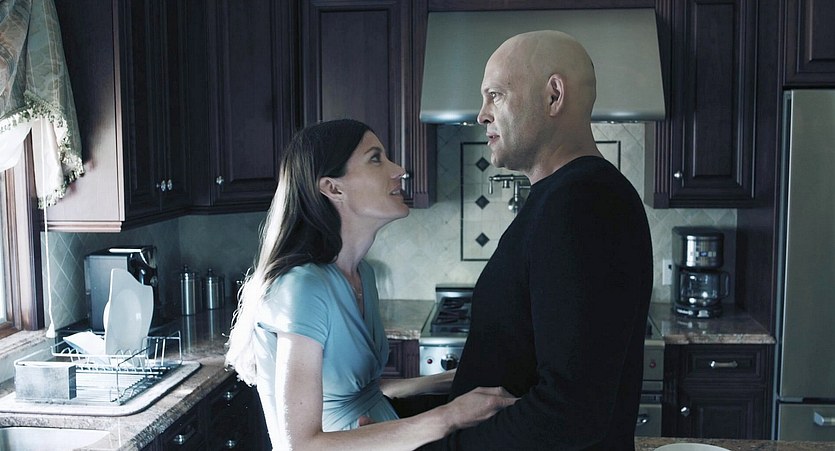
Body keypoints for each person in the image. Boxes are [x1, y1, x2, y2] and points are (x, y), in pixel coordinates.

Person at [421, 30, 653, 450]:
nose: (482, 115)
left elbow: (571, 411)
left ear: (553, 96)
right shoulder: (563, 196)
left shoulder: (584, 202)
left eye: (495, 95)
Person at [224, 119, 516, 451]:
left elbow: (365, 393)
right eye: (376, 158)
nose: (399, 170)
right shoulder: (302, 288)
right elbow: (301, 445)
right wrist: (448, 417)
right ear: (333, 188)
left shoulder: (363, 275)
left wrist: (460, 381)